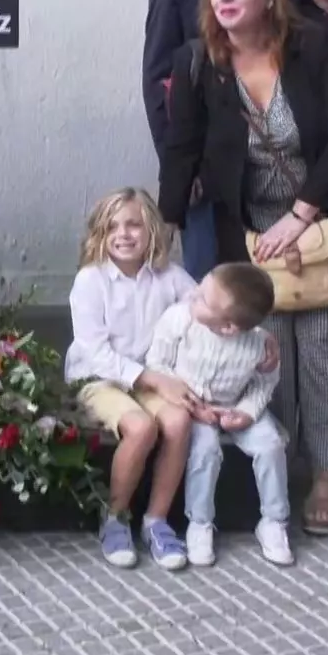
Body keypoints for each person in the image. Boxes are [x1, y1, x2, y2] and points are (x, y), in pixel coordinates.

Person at [157, 0, 328, 536]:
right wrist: (161, 230)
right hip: (237, 231)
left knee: (319, 348)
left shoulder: (314, 46)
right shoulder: (198, 63)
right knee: (262, 352)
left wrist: (302, 211)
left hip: (312, 226)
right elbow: (181, 150)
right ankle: (272, 469)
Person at [64, 188, 277, 570]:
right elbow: (95, 352)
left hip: (152, 378)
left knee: (178, 421)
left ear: (152, 230)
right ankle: (115, 518)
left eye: (133, 224)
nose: (123, 234)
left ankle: (156, 520)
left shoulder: (171, 277)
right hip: (100, 379)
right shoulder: (90, 281)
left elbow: (216, 310)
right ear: (100, 232)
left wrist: (262, 338)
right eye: (113, 226)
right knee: (141, 428)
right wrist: (157, 380)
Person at [143, 0, 258, 280]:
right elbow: (159, 87)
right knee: (214, 286)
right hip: (205, 173)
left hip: (264, 172)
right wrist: (178, 172)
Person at [145, 262, 291, 567]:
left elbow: (266, 383)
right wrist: (191, 404)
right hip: (191, 407)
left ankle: (274, 521)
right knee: (205, 450)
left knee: (271, 445)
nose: (193, 296)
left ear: (229, 327)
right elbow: (157, 364)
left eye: (203, 299)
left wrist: (247, 413)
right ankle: (199, 523)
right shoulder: (179, 320)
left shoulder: (259, 344)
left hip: (235, 405)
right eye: (200, 288)